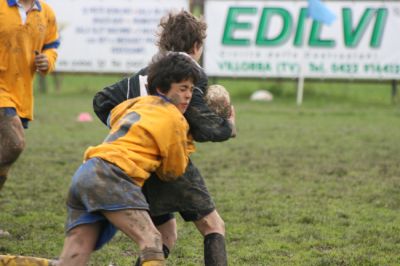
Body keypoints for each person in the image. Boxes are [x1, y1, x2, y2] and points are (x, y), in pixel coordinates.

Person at [93, 10, 236, 265]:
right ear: (196, 45)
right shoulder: (190, 72)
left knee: (164, 235)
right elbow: (205, 128)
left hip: (141, 163)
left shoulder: (147, 72)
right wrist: (228, 125)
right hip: (170, 158)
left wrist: (129, 127)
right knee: (213, 226)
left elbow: (102, 101)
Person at [58, 53, 201, 266]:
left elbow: (114, 115)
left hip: (88, 171)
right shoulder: (175, 118)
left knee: (76, 253)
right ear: (162, 89)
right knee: (152, 240)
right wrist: (186, 143)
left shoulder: (134, 104)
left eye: (191, 89)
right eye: (182, 89)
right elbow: (172, 172)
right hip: (113, 177)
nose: (188, 95)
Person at [0, 0, 60, 235]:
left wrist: (48, 60)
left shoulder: (46, 12)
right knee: (14, 143)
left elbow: (52, 44)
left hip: (21, 93)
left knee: (5, 155)